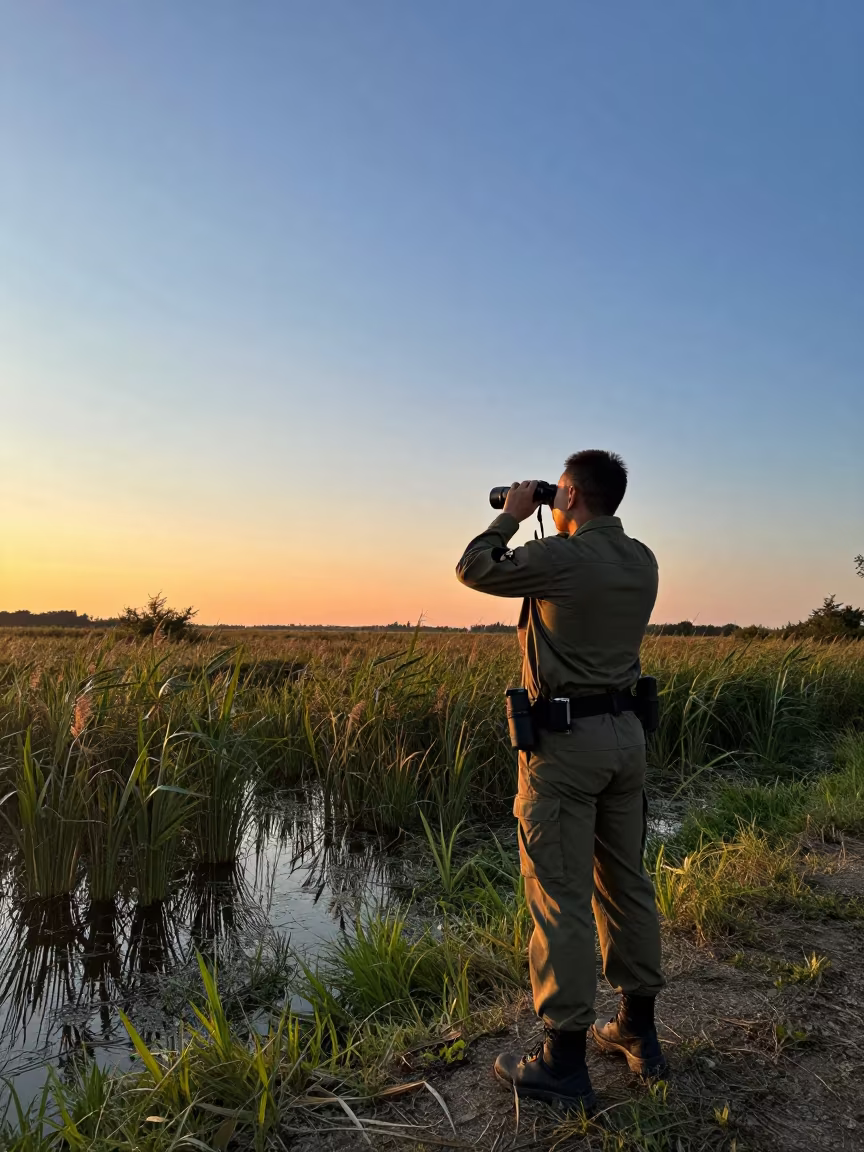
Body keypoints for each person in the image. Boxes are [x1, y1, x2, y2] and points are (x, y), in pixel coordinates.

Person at [455, 450, 666, 1112]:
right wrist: (557, 513)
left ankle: (564, 1062)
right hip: (626, 740)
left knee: (561, 897)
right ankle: (638, 1031)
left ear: (571, 497)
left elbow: (474, 569)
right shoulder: (642, 559)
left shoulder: (561, 559)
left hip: (566, 749)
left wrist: (513, 517)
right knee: (625, 882)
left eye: (558, 494)